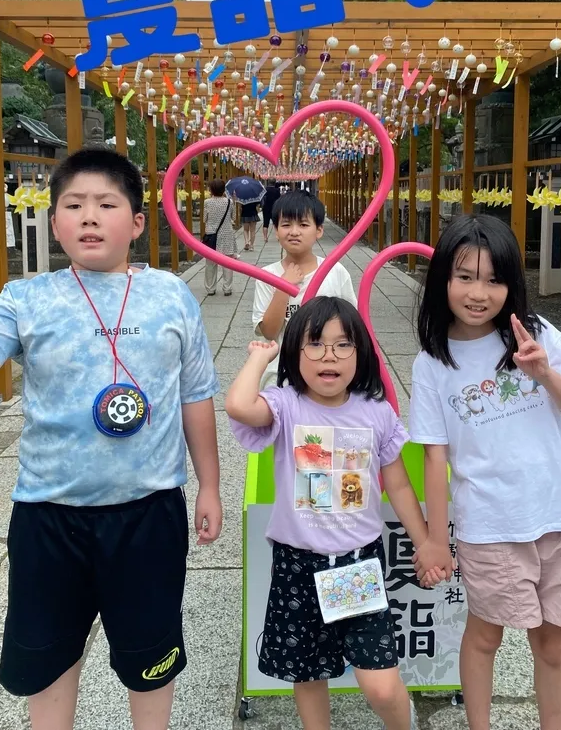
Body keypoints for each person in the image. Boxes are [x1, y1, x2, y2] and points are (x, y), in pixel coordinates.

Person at [0, 147, 222, 730]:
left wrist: (210, 485)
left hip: (149, 513)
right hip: (49, 516)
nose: (88, 216)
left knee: (150, 661)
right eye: (73, 204)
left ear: (135, 222)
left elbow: (196, 395)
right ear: (54, 220)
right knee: (49, 660)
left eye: (106, 204)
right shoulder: (27, 300)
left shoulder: (170, 296)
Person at [408, 214, 561, 730]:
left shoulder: (534, 334)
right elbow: (435, 456)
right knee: (485, 635)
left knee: (554, 642)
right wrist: (433, 539)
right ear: (443, 279)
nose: (479, 292)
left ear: (512, 284)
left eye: (495, 279)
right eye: (465, 276)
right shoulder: (432, 364)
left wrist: (544, 373)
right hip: (490, 525)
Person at [226, 297, 442, 730]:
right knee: (308, 672)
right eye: (315, 344)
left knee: (379, 683)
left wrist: (427, 542)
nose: (330, 356)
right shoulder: (285, 405)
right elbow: (237, 406)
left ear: (361, 354)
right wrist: (260, 357)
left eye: (344, 345)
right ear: (295, 354)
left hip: (355, 566)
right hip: (297, 566)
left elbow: (397, 485)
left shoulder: (375, 412)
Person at [252, 190, 356, 389]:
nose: (294, 231)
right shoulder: (267, 275)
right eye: (286, 224)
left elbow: (351, 326)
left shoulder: (335, 272)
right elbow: (269, 332)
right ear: (276, 230)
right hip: (282, 374)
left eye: (303, 224)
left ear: (319, 230)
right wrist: (284, 286)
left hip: (328, 372)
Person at [203, 178, 237, 296]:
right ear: (223, 190)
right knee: (227, 263)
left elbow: (204, 219)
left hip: (212, 235)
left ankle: (210, 289)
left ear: (211, 190)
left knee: (210, 264)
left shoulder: (207, 202)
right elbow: (234, 217)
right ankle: (227, 288)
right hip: (227, 234)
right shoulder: (229, 202)